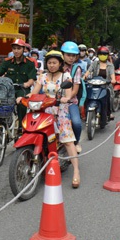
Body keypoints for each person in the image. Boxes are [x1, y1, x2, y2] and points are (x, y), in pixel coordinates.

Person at [30, 50, 80, 188]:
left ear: (60, 64)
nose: (51, 65)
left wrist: (64, 98)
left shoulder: (66, 76)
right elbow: (34, 92)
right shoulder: (42, 76)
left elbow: (68, 94)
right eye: (49, 62)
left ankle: (76, 170)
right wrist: (25, 97)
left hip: (60, 111)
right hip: (45, 109)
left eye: (54, 63)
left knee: (68, 140)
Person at [0, 38, 37, 127]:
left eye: (19, 48)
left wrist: (27, 84)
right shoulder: (7, 62)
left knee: (22, 104)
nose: (16, 51)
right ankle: (2, 124)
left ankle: (21, 127)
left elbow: (32, 79)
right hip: (8, 89)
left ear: (24, 49)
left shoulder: (30, 63)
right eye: (14, 49)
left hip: (22, 89)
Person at [60, 41, 83, 153]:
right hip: (54, 102)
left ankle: (76, 142)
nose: (71, 58)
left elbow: (75, 89)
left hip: (70, 102)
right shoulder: (56, 66)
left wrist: (67, 98)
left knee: (77, 123)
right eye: (68, 55)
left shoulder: (76, 69)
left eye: (73, 55)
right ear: (62, 54)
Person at [86, 46, 116, 121]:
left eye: (104, 54)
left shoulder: (110, 65)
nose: (102, 56)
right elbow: (88, 72)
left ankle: (109, 112)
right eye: (101, 54)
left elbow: (112, 75)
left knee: (108, 95)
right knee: (87, 94)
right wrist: (83, 78)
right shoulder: (94, 63)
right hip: (94, 84)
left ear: (107, 55)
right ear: (98, 55)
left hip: (106, 85)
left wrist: (113, 80)